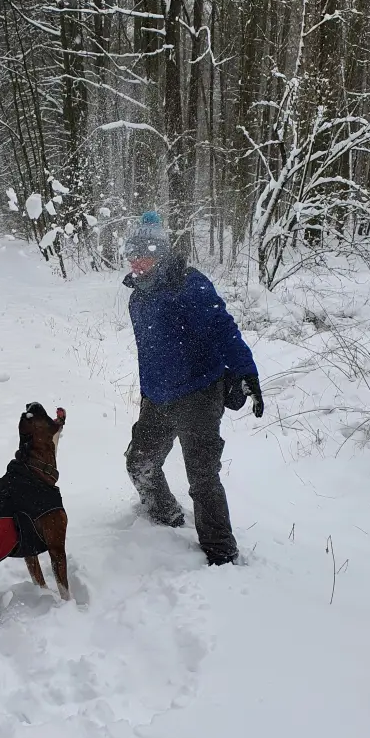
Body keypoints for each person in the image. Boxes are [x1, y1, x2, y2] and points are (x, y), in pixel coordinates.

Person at [122, 212, 264, 566]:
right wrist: (149, 392)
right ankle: (165, 518)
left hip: (198, 393)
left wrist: (244, 371)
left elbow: (222, 327)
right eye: (132, 255)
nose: (137, 262)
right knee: (140, 462)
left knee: (202, 476)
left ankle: (221, 555)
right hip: (157, 397)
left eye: (145, 254)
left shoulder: (189, 284)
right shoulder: (137, 297)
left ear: (161, 254)